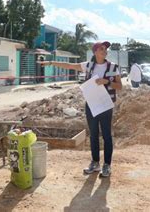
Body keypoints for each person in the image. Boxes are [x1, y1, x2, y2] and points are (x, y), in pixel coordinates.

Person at [39, 41, 122, 178]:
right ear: (95, 51)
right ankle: (95, 162)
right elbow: (69, 65)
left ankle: (107, 165)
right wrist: (51, 63)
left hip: (106, 105)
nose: (105, 51)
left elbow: (119, 86)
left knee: (107, 135)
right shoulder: (88, 66)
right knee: (93, 134)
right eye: (102, 48)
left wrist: (106, 81)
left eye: (106, 49)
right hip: (91, 105)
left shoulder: (113, 67)